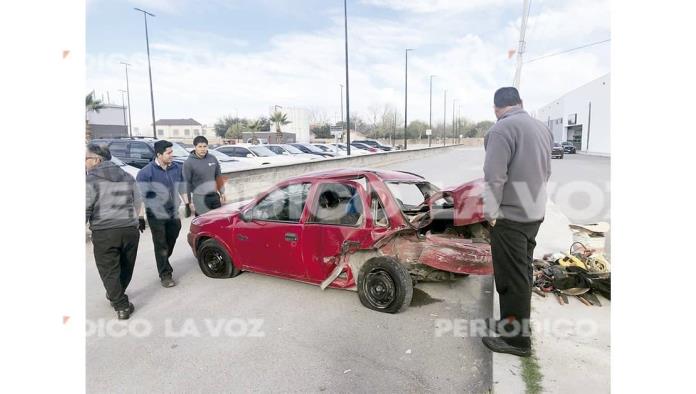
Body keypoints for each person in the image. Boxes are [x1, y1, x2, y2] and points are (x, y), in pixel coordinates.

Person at [481, 87, 553, 357]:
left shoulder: (501, 130)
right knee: (522, 272)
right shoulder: (541, 128)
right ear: (520, 102)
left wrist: (491, 214)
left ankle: (517, 341)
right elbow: (547, 171)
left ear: (496, 108)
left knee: (511, 278)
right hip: (534, 213)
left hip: (510, 217)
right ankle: (511, 325)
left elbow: (494, 177)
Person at [86, 144, 145, 320]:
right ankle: (116, 293)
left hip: (105, 232)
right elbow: (138, 200)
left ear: (97, 159)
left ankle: (121, 305)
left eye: (86, 159)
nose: (84, 163)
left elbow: (85, 207)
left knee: (109, 269)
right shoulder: (127, 176)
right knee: (126, 265)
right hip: (129, 229)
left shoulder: (90, 181)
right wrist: (138, 219)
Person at [136, 140, 190, 288]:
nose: (172, 155)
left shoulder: (177, 168)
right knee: (160, 243)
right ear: (159, 154)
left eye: (172, 152)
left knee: (173, 234)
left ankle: (163, 259)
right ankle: (165, 274)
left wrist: (187, 204)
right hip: (155, 213)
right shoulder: (146, 173)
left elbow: (182, 187)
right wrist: (140, 217)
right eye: (169, 153)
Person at [183, 136, 226, 216]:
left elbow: (218, 175)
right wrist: (189, 202)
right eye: (200, 146)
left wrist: (222, 192)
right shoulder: (188, 163)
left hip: (214, 197)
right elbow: (187, 184)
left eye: (205, 146)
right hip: (200, 199)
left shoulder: (212, 158)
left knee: (217, 221)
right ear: (195, 147)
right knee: (203, 224)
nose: (202, 149)